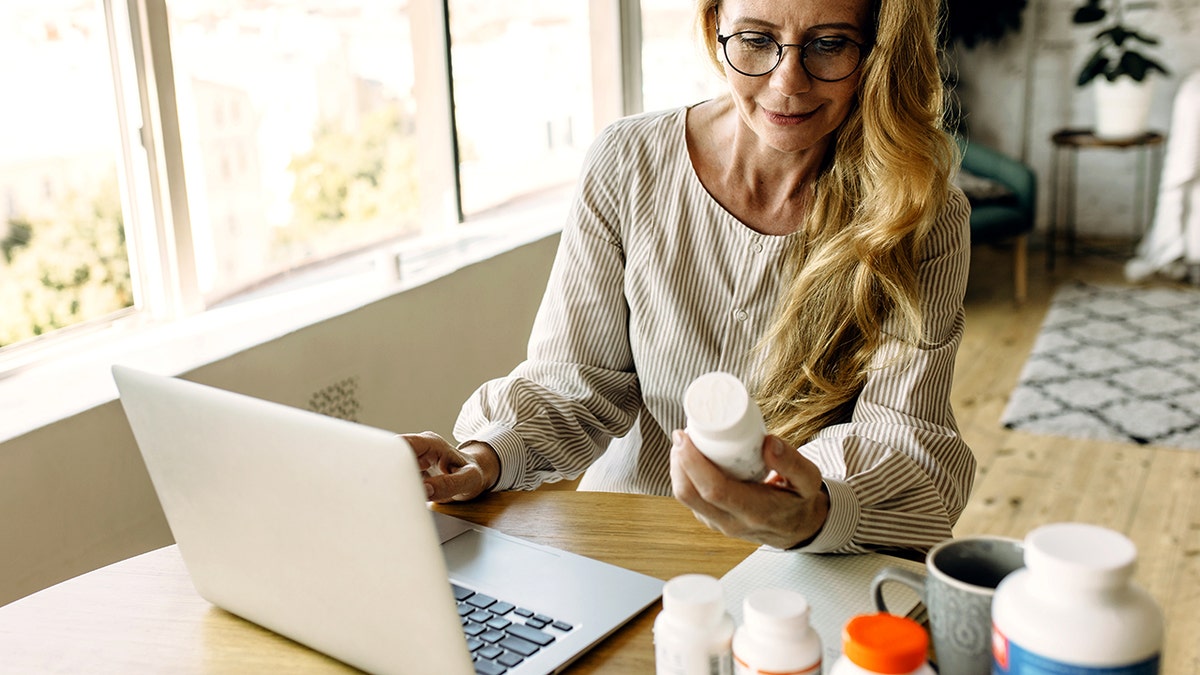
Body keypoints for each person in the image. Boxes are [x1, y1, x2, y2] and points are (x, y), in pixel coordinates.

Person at [407, 0, 974, 555]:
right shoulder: (626, 162)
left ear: (878, 49)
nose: (787, 83)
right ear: (715, 29)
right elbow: (575, 381)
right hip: (629, 539)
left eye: (829, 45)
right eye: (755, 40)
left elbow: (901, 436)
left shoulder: (919, 215)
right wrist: (483, 457)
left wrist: (812, 509)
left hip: (799, 557)